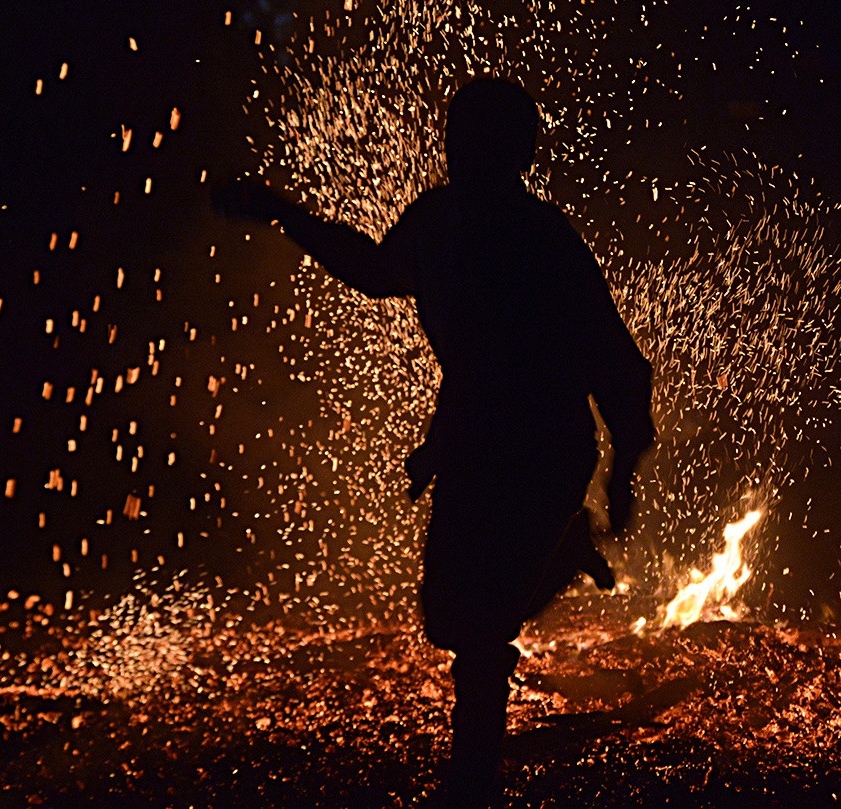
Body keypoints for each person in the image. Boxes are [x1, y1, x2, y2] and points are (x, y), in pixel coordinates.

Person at [215, 77, 654, 808]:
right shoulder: (437, 222)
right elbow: (374, 272)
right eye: (456, 134)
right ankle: (564, 551)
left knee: (480, 628)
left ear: (514, 151)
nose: (459, 149)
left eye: (476, 137)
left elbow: (612, 358)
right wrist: (282, 213)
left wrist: (620, 468)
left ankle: (472, 779)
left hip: (543, 444)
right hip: (476, 440)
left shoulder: (544, 239)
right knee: (448, 617)